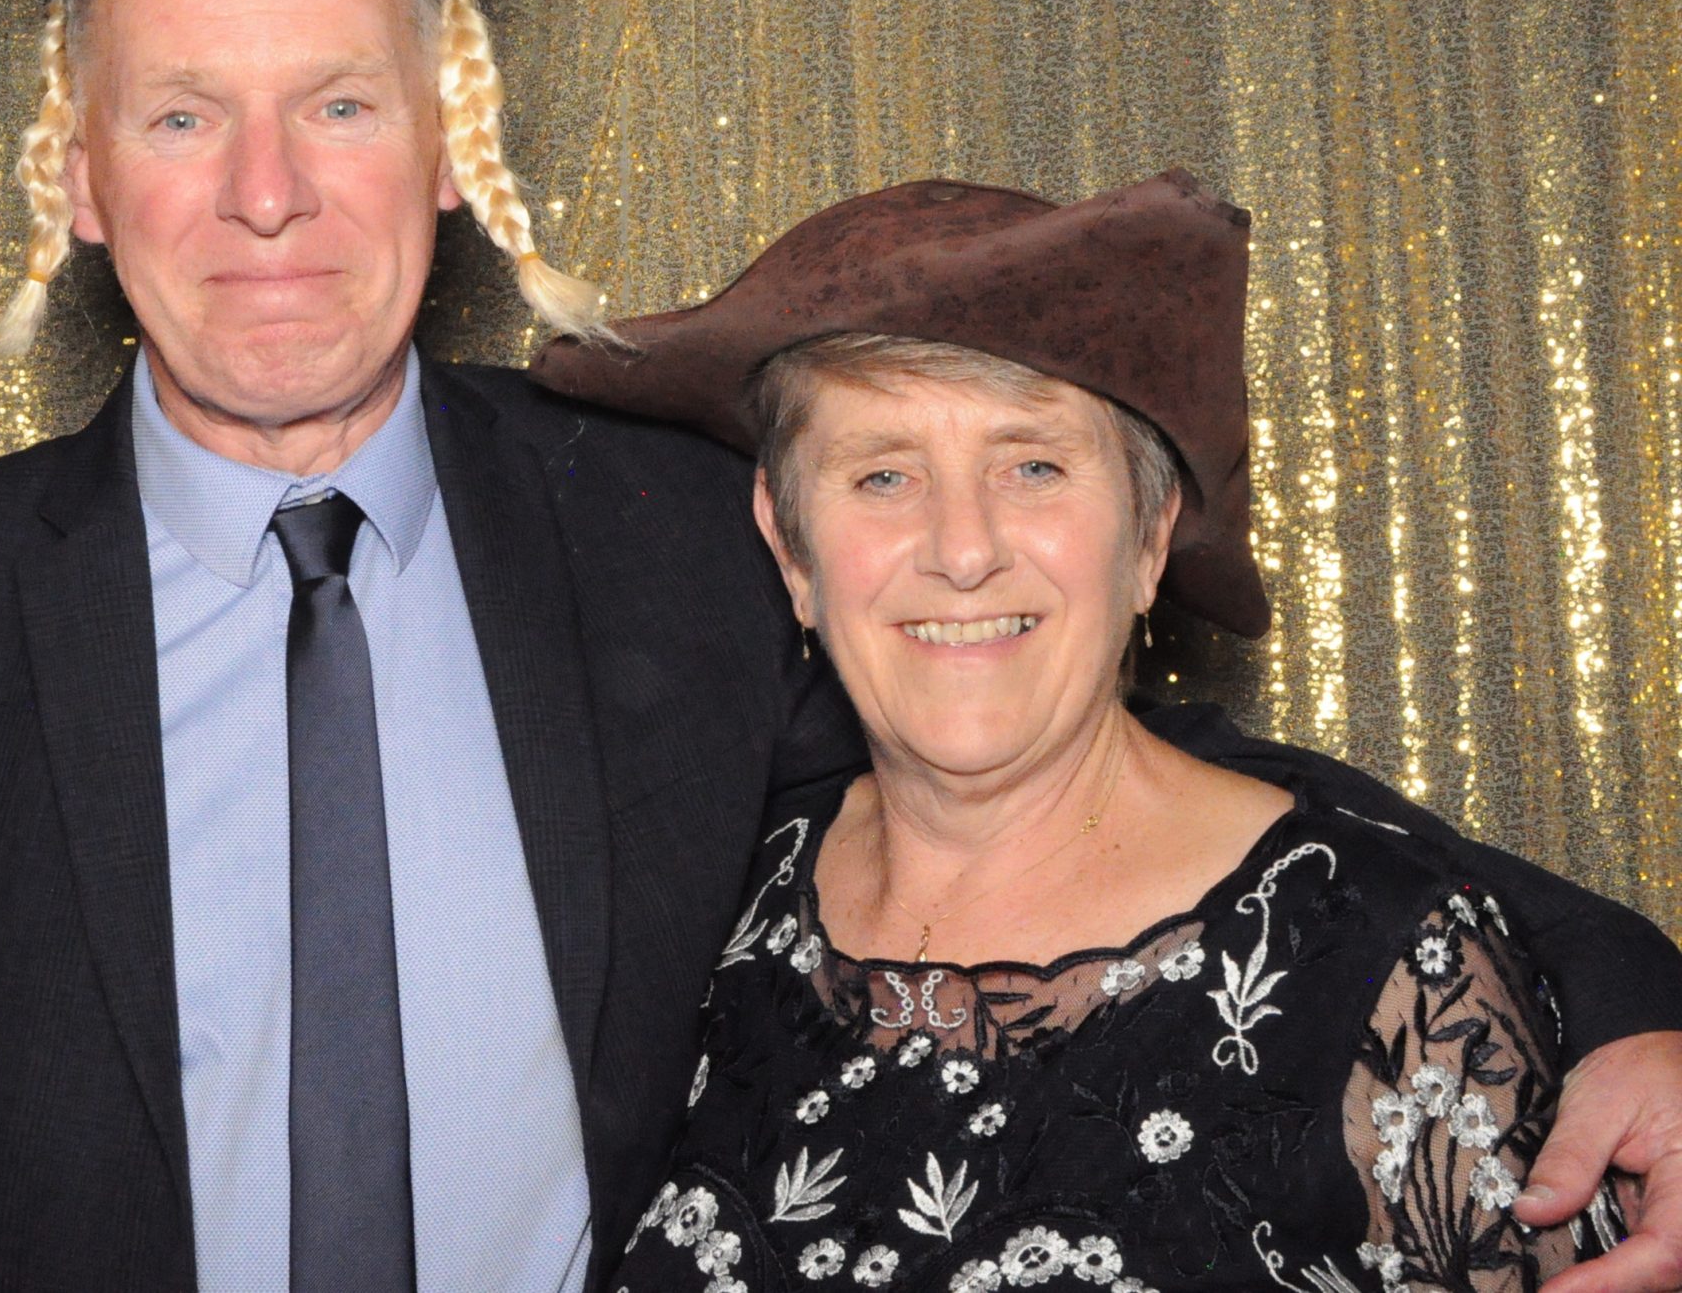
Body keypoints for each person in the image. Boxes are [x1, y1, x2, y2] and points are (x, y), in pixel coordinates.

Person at [0, 0, 1682, 1293]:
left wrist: (1627, 997)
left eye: (338, 103)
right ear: (75, 175)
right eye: (178, 113)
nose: (265, 192)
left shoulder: (675, 542)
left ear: (448, 148)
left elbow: (1100, 772)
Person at [527, 172, 1655, 1291]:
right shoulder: (717, 903)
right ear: (790, 547)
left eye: (1033, 466)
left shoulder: (1382, 964)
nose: (963, 549)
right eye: (882, 474)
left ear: (1150, 534)